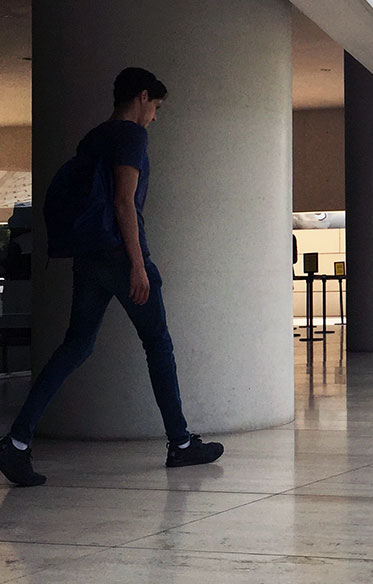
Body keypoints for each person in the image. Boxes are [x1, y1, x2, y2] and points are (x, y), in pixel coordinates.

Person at [1, 68, 223, 489]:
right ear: (142, 97)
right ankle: (180, 443)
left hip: (89, 256)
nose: (155, 117)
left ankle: (15, 443)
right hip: (120, 254)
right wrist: (138, 265)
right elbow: (124, 203)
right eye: (155, 107)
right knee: (158, 342)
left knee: (76, 345)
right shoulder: (131, 136)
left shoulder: (94, 136)